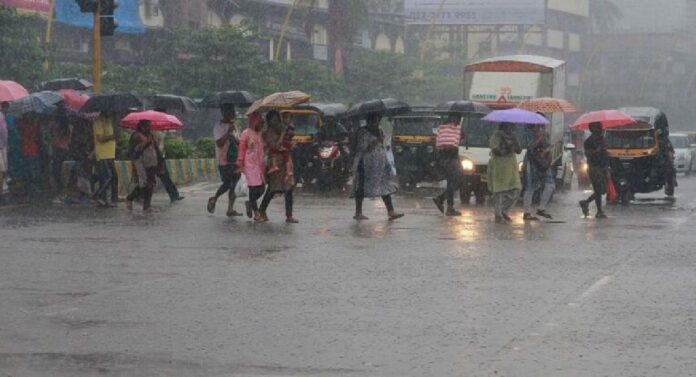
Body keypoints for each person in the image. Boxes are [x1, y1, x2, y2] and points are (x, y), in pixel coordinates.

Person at [351, 113, 404, 221]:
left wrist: (380, 138)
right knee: (360, 186)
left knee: (384, 185)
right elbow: (362, 147)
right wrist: (373, 142)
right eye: (374, 121)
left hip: (380, 163)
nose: (376, 123)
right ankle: (358, 212)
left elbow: (382, 144)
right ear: (369, 122)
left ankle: (391, 211)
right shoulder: (362, 131)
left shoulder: (379, 130)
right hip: (364, 163)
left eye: (377, 121)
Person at [259, 110, 298, 223]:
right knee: (273, 189)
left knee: (289, 188)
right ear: (269, 121)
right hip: (275, 163)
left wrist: (290, 142)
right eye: (273, 119)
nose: (276, 121)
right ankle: (262, 210)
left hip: (286, 162)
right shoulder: (268, 133)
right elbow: (275, 146)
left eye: (277, 118)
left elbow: (287, 142)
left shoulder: (283, 129)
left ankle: (289, 215)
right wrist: (282, 134)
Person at [207, 104, 242, 216]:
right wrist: (228, 133)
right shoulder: (219, 126)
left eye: (232, 111)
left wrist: (234, 138)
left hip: (236, 160)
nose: (232, 113)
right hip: (224, 160)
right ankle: (214, 198)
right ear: (223, 112)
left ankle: (230, 209)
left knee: (234, 185)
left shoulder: (235, 126)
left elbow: (240, 143)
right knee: (227, 183)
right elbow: (219, 143)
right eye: (229, 111)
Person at [488, 122, 522, 223]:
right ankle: (498, 215)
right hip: (498, 167)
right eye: (509, 126)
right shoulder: (496, 136)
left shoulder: (513, 136)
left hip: (511, 167)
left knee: (516, 190)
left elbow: (519, 150)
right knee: (498, 192)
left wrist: (514, 144)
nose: (510, 128)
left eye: (512, 126)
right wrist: (506, 149)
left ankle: (503, 211)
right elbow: (495, 150)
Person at [236, 112, 266, 222]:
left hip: (259, 166)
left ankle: (250, 202)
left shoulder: (259, 134)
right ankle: (256, 213)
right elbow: (242, 148)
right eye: (260, 122)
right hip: (249, 165)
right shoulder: (246, 133)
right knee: (253, 189)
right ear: (254, 122)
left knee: (261, 188)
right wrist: (240, 161)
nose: (261, 125)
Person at [521, 124, 555, 221]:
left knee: (550, 185)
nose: (540, 128)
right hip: (531, 163)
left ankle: (541, 209)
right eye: (538, 126)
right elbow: (530, 148)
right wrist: (538, 139)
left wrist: (546, 148)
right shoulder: (528, 135)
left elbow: (548, 146)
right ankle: (527, 212)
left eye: (542, 126)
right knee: (530, 187)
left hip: (544, 162)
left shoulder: (545, 134)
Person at [432, 113, 463, 216]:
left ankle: (448, 205)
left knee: (452, 181)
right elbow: (455, 142)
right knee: (457, 181)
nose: (459, 121)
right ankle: (443, 201)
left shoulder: (442, 128)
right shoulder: (455, 128)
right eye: (458, 118)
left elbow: (440, 143)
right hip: (451, 158)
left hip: (443, 158)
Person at [126, 120, 158, 212]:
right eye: (146, 126)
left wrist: (154, 142)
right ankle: (130, 198)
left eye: (149, 125)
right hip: (141, 162)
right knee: (144, 184)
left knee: (151, 184)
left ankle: (147, 206)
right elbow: (136, 150)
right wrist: (147, 143)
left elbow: (155, 148)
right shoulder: (136, 135)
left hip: (151, 162)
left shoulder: (150, 135)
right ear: (141, 126)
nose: (149, 128)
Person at [579, 121, 609, 219]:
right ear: (593, 129)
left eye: (601, 127)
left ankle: (586, 202)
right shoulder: (589, 141)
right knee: (598, 189)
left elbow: (605, 154)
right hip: (594, 167)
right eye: (598, 127)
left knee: (602, 190)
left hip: (602, 167)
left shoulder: (602, 139)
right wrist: (598, 150)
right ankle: (599, 211)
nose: (601, 129)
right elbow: (589, 154)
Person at [92, 112, 118, 206]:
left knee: (113, 177)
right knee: (107, 177)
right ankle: (100, 196)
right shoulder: (98, 121)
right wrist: (112, 136)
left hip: (110, 154)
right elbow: (100, 138)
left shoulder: (109, 121)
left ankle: (113, 199)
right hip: (103, 154)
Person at [153, 130, 184, 203]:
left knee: (166, 178)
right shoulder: (154, 132)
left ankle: (174, 195)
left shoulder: (160, 132)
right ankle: (174, 196)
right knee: (165, 178)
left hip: (160, 157)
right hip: (157, 159)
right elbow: (156, 145)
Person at [18, 114, 42, 199]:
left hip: (26, 150)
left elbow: (22, 137)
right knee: (33, 169)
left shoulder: (22, 125)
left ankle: (29, 188)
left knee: (28, 170)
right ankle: (33, 187)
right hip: (33, 150)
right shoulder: (33, 125)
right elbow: (35, 137)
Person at [50, 106, 71, 197]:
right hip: (66, 149)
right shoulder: (68, 126)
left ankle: (59, 189)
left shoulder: (55, 125)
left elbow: (53, 136)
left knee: (57, 170)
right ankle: (65, 190)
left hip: (57, 149)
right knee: (65, 171)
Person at [0, 103, 9, 201]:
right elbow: (4, 132)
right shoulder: (1, 116)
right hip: (0, 147)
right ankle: (1, 192)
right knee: (1, 171)